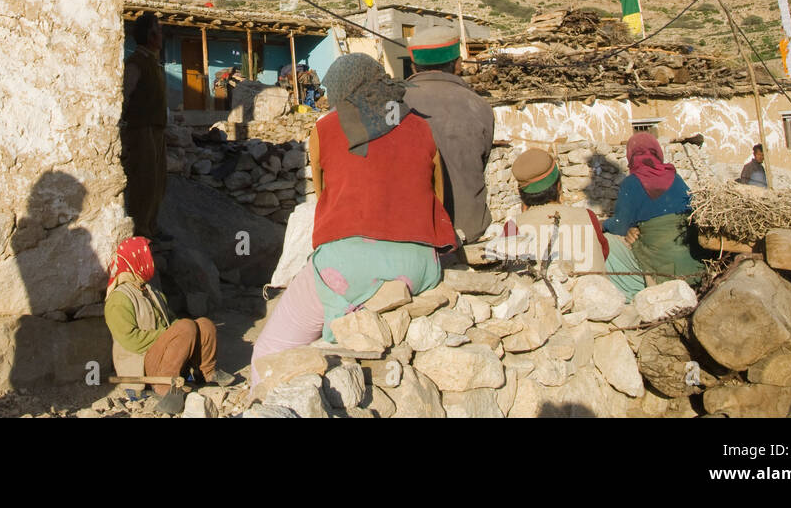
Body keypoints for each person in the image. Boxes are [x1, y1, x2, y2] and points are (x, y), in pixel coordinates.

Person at [250, 54, 452, 383]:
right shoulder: (423, 128)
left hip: (344, 267)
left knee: (269, 350)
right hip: (420, 267)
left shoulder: (325, 130)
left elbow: (323, 192)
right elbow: (438, 197)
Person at [104, 236, 226, 415]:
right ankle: (163, 387)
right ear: (135, 260)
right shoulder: (119, 299)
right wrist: (169, 334)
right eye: (147, 257)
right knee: (185, 328)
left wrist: (181, 330)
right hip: (142, 360)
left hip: (163, 353)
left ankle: (206, 372)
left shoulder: (150, 291)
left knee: (204, 325)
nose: (151, 261)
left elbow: (171, 321)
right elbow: (131, 341)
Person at [403, 25, 496, 244]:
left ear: (414, 66)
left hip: (415, 234)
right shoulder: (479, 105)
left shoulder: (397, 103)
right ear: (457, 65)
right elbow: (480, 163)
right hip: (469, 230)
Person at [494, 149, 621, 283]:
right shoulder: (588, 216)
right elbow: (603, 252)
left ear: (522, 194)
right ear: (559, 186)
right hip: (598, 296)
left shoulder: (514, 226)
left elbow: (508, 270)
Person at [601, 133, 704, 298]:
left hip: (663, 268)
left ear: (631, 157)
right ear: (658, 153)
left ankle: (633, 292)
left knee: (607, 242)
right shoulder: (676, 178)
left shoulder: (632, 183)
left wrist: (601, 225)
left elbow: (619, 226)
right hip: (694, 266)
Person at [122, 13, 167, 239]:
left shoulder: (152, 62)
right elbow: (125, 97)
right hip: (142, 130)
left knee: (159, 181)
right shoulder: (135, 63)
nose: (161, 35)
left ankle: (152, 226)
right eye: (158, 30)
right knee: (145, 180)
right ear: (150, 35)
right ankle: (140, 230)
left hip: (156, 129)